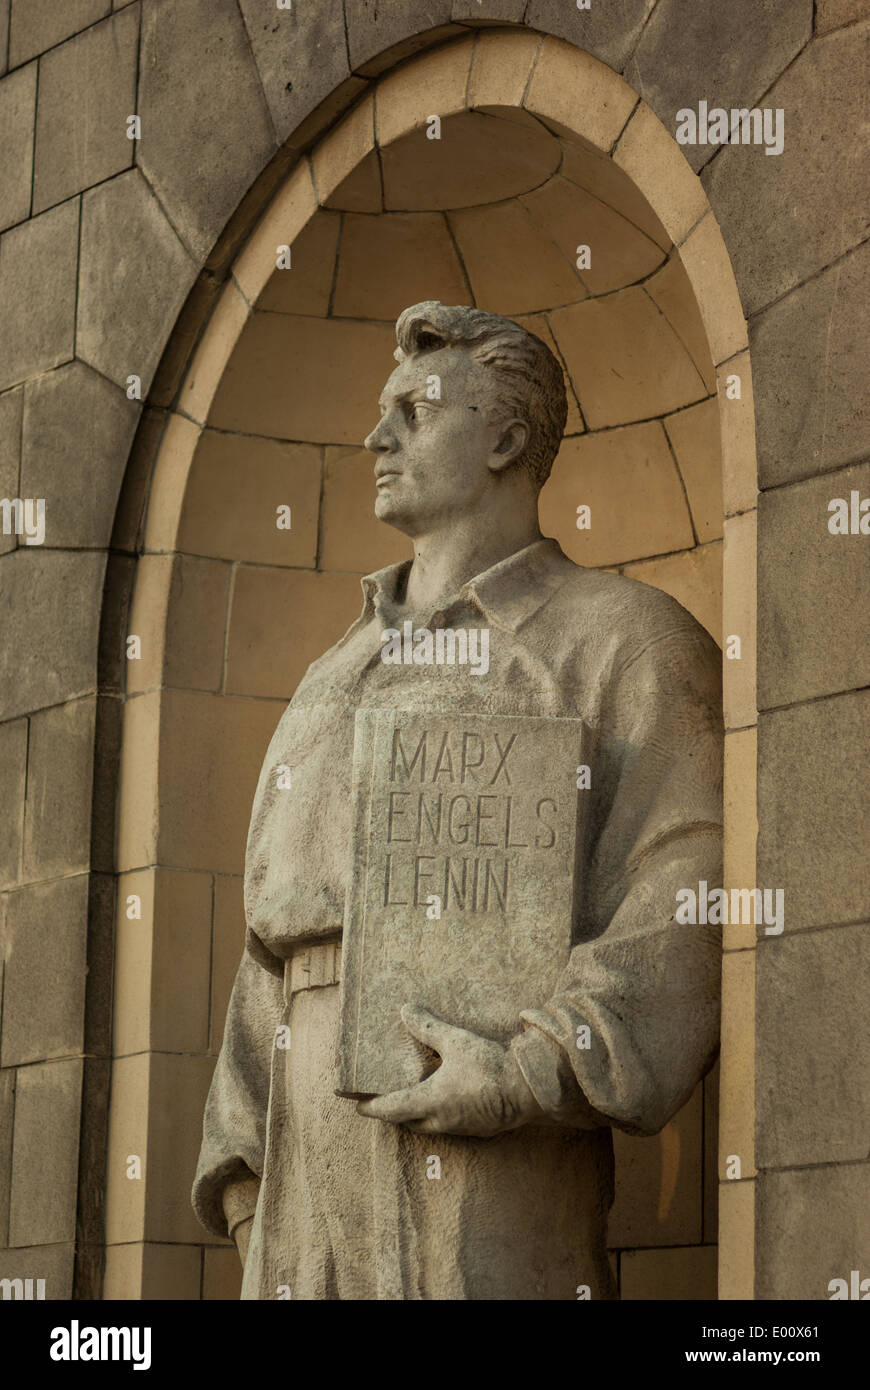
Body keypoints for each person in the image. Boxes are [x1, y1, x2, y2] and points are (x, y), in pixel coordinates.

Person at [192, 301, 723, 1300]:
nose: (375, 437)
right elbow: (271, 950)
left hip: (496, 1188)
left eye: (415, 410)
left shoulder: (626, 641)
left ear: (507, 438)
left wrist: (531, 1072)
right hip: (301, 1206)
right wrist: (249, 1184)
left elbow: (683, 901)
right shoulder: (325, 678)